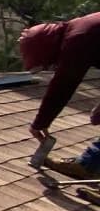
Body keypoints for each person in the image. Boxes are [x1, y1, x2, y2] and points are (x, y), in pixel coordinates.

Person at [20, 11, 100, 178]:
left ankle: (89, 165)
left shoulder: (78, 38)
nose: (54, 66)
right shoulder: (83, 29)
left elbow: (63, 85)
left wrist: (40, 123)